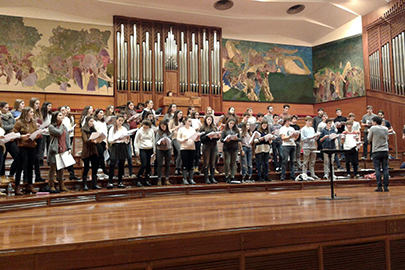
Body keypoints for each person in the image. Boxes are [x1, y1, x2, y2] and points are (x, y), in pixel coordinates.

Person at [12, 107, 40, 195]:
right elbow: (14, 134)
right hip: (22, 146)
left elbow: (36, 132)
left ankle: (30, 184)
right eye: (31, 112)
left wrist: (37, 135)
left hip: (32, 145)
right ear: (26, 113)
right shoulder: (19, 122)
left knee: (30, 166)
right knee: (21, 166)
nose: (33, 113)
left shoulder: (34, 122)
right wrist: (22, 136)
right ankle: (17, 186)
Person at [48, 111, 71, 193]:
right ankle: (51, 185)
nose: (62, 116)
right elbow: (58, 133)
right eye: (60, 115)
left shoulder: (64, 126)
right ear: (55, 117)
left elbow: (67, 137)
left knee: (61, 168)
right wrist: (61, 126)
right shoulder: (51, 126)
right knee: (53, 168)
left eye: (62, 115)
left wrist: (69, 148)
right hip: (55, 150)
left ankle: (61, 185)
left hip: (63, 149)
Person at [107, 114, 129, 189]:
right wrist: (116, 139)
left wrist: (127, 139)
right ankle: (110, 182)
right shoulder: (112, 129)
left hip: (122, 146)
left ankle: (120, 181)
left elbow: (126, 141)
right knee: (112, 163)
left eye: (122, 121)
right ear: (116, 120)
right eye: (119, 120)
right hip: (115, 146)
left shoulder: (124, 129)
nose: (120, 122)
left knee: (121, 164)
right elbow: (110, 140)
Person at [368, 116, 389, 192]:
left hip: (376, 150)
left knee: (377, 169)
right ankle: (386, 186)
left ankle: (379, 186)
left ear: (375, 122)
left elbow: (369, 139)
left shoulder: (373, 128)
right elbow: (387, 138)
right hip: (385, 150)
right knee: (385, 168)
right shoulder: (386, 129)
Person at [81, 116, 101, 191]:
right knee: (86, 168)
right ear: (87, 122)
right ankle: (85, 184)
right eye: (90, 121)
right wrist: (92, 140)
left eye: (93, 121)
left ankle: (94, 184)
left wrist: (98, 140)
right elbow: (86, 140)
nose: (92, 123)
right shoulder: (84, 130)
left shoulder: (94, 130)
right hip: (87, 150)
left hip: (94, 150)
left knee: (95, 167)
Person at [0, 101, 18, 183]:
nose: (8, 109)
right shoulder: (1, 117)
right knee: (2, 160)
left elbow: (15, 126)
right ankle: (2, 176)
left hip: (11, 139)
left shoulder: (10, 116)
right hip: (3, 140)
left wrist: (11, 128)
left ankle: (11, 175)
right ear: (1, 108)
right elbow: (3, 127)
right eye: (6, 107)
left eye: (8, 107)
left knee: (18, 156)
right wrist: (10, 127)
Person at [177, 116, 199, 185]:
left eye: (190, 121)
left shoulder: (192, 129)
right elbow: (178, 138)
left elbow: (195, 138)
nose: (190, 123)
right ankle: (184, 179)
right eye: (189, 121)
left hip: (192, 148)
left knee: (191, 164)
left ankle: (191, 179)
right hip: (184, 148)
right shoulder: (181, 129)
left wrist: (197, 139)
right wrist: (183, 140)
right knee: (185, 164)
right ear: (185, 121)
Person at [134, 119, 155, 186]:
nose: (145, 128)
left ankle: (146, 180)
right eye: (144, 127)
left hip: (150, 149)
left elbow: (153, 140)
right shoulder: (139, 131)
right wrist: (136, 151)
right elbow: (136, 141)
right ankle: (138, 179)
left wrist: (154, 150)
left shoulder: (151, 131)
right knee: (144, 164)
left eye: (147, 127)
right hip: (142, 149)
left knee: (148, 165)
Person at [200, 115, 220, 184]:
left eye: (210, 120)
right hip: (206, 146)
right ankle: (206, 178)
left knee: (213, 162)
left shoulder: (214, 127)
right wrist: (208, 137)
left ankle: (212, 177)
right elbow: (201, 139)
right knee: (206, 162)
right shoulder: (203, 128)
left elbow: (217, 138)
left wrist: (217, 136)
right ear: (205, 120)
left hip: (214, 145)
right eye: (208, 119)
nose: (209, 121)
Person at [220, 117, 241, 183]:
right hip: (227, 148)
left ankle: (232, 176)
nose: (232, 125)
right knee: (227, 162)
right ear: (228, 123)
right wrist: (226, 140)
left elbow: (240, 139)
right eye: (230, 123)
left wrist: (236, 139)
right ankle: (226, 176)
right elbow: (221, 139)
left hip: (234, 148)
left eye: (233, 124)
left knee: (233, 163)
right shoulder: (225, 131)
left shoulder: (236, 131)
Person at [279, 117, 297, 181]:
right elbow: (283, 138)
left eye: (289, 121)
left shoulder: (292, 128)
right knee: (284, 161)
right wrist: (290, 137)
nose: (289, 122)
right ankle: (283, 175)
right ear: (285, 121)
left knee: (292, 161)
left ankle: (292, 175)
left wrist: (295, 136)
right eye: (287, 121)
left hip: (292, 145)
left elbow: (295, 137)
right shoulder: (282, 128)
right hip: (285, 145)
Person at [93, 109, 109, 180]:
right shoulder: (95, 122)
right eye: (100, 113)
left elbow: (106, 133)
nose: (102, 114)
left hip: (103, 141)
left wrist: (106, 143)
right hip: (97, 140)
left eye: (103, 113)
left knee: (102, 155)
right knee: (100, 156)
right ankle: (104, 170)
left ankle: (102, 169)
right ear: (97, 114)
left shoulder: (104, 123)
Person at [155, 120, 172, 185]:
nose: (163, 127)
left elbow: (171, 141)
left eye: (164, 126)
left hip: (168, 149)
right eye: (162, 126)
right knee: (160, 164)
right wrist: (161, 142)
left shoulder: (169, 133)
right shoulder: (158, 133)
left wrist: (167, 142)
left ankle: (167, 178)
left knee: (168, 164)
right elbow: (156, 142)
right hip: (160, 149)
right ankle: (159, 179)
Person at [168, 110, 184, 175]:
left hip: (181, 139)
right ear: (176, 114)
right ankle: (177, 168)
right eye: (180, 113)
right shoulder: (172, 121)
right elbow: (169, 130)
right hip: (174, 138)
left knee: (181, 153)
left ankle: (178, 168)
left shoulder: (181, 122)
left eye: (182, 114)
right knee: (180, 152)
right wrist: (176, 128)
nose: (181, 115)